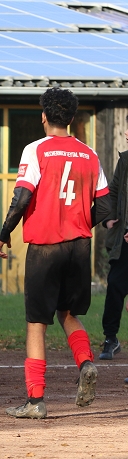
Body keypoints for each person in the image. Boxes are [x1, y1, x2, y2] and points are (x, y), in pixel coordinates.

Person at [0, 87, 110, 419]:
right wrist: (79, 221)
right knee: (68, 313)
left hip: (45, 249)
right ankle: (86, 363)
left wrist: (4, 233)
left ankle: (35, 401)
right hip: (79, 247)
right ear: (72, 118)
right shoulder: (89, 153)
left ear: (44, 116)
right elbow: (105, 207)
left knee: (36, 323)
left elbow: (21, 197)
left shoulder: (36, 149)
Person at [99, 120, 128, 360]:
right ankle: (111, 338)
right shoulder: (125, 161)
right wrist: (108, 218)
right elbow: (114, 191)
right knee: (115, 286)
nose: (126, 133)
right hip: (124, 241)